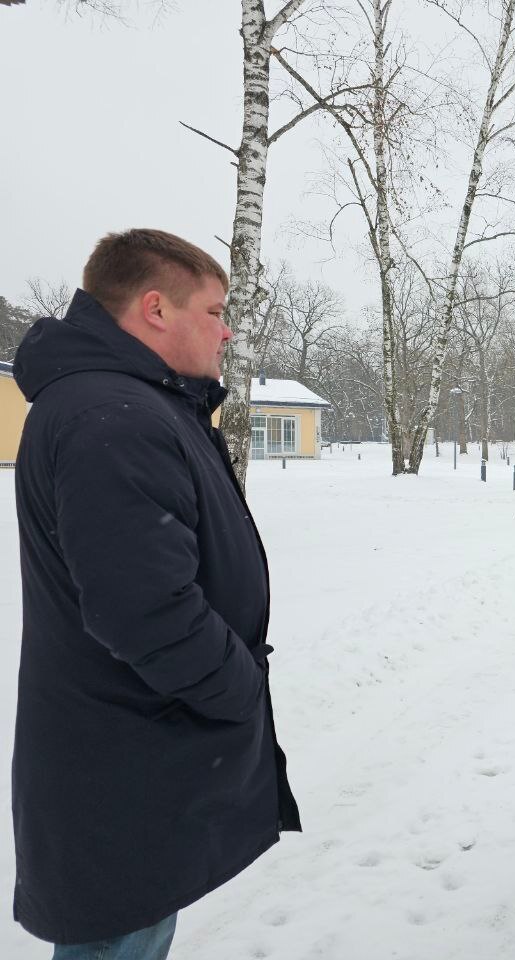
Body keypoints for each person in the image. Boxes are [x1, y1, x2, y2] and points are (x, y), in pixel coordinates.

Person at [10, 229, 301, 959]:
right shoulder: (112, 417)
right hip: (121, 760)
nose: (226, 328)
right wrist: (239, 689)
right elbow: (143, 610)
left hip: (129, 751)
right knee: (119, 939)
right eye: (213, 309)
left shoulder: (131, 403)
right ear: (155, 310)